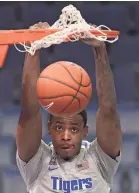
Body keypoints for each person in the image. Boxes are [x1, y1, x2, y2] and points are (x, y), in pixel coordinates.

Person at [16, 22, 122, 193]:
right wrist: (33, 48)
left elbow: (108, 111)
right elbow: (29, 112)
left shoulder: (99, 161)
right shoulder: (36, 163)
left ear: (85, 131)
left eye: (74, 129)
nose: (66, 136)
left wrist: (99, 49)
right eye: (59, 127)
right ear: (49, 128)